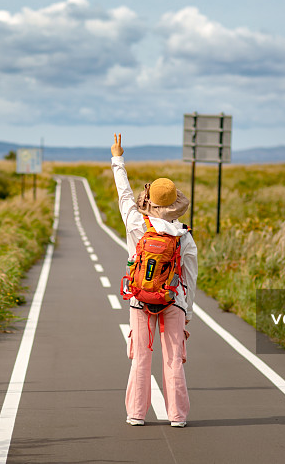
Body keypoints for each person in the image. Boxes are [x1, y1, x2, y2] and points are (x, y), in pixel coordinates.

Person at [110, 133, 198, 428]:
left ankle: (136, 414)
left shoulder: (136, 223)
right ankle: (178, 417)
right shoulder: (184, 235)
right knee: (173, 360)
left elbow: (124, 194)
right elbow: (190, 277)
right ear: (175, 205)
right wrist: (188, 312)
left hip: (139, 300)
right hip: (173, 300)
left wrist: (117, 158)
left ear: (148, 202)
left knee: (140, 359)